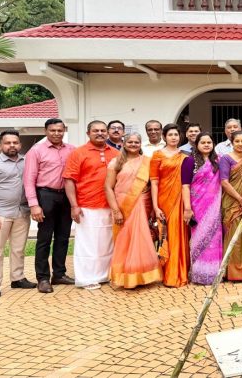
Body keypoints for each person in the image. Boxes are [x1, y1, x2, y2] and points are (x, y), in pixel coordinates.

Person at [63, 121, 120, 290]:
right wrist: (74, 205)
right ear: (88, 133)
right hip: (87, 205)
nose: (100, 133)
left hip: (111, 205)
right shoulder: (78, 153)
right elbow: (69, 180)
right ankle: (86, 278)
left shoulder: (116, 153)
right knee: (88, 244)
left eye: (103, 130)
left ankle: (105, 275)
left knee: (108, 242)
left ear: (107, 133)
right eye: (96, 131)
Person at [0, 130, 36, 298]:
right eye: (7, 142)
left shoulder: (27, 162)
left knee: (18, 249)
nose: (12, 145)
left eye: (15, 142)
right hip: (0, 214)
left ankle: (17, 278)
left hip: (22, 212)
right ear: (0, 145)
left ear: (20, 144)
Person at [23, 118, 76, 294]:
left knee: (63, 237)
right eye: (52, 130)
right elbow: (28, 180)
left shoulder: (72, 150)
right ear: (46, 131)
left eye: (60, 130)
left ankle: (59, 274)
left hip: (66, 196)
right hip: (46, 195)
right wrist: (34, 205)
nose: (56, 133)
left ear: (64, 131)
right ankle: (43, 278)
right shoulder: (36, 151)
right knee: (44, 238)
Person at [105, 133, 162, 288]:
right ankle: (124, 276)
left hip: (143, 203)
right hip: (123, 204)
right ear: (124, 143)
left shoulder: (147, 162)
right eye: (130, 142)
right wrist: (116, 210)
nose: (133, 144)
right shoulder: (116, 162)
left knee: (141, 238)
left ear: (140, 144)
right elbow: (108, 188)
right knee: (124, 239)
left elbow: (152, 185)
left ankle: (141, 275)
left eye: (136, 142)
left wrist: (153, 208)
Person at [150, 123, 189, 287]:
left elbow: (187, 183)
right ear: (164, 137)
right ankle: (168, 274)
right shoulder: (157, 155)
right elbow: (154, 182)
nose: (174, 137)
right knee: (166, 235)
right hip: (164, 200)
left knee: (180, 235)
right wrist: (155, 207)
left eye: (176, 134)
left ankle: (179, 273)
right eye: (170, 134)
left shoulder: (185, 156)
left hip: (181, 200)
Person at [181, 132, 222, 285]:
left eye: (209, 142)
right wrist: (187, 208)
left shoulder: (218, 161)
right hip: (197, 206)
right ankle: (200, 273)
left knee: (215, 238)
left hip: (215, 207)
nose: (206, 145)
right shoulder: (189, 161)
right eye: (203, 142)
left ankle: (214, 273)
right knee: (199, 238)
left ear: (213, 144)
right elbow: (185, 186)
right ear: (196, 144)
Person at [220, 131, 242, 281]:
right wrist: (240, 198)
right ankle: (231, 272)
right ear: (232, 143)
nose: (240, 144)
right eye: (237, 141)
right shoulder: (226, 158)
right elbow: (224, 182)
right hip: (231, 202)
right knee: (232, 235)